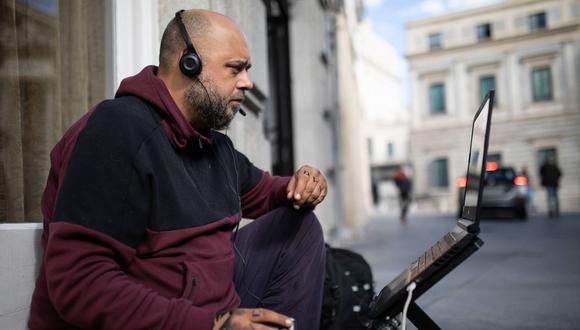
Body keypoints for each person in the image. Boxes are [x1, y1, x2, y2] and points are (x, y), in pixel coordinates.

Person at [28, 9, 328, 330]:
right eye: (235, 69)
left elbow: (265, 190)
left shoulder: (213, 146)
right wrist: (212, 324)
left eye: (247, 69)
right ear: (189, 63)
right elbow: (79, 282)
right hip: (170, 320)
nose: (247, 83)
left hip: (207, 309)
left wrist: (301, 185)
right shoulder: (116, 132)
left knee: (299, 227)